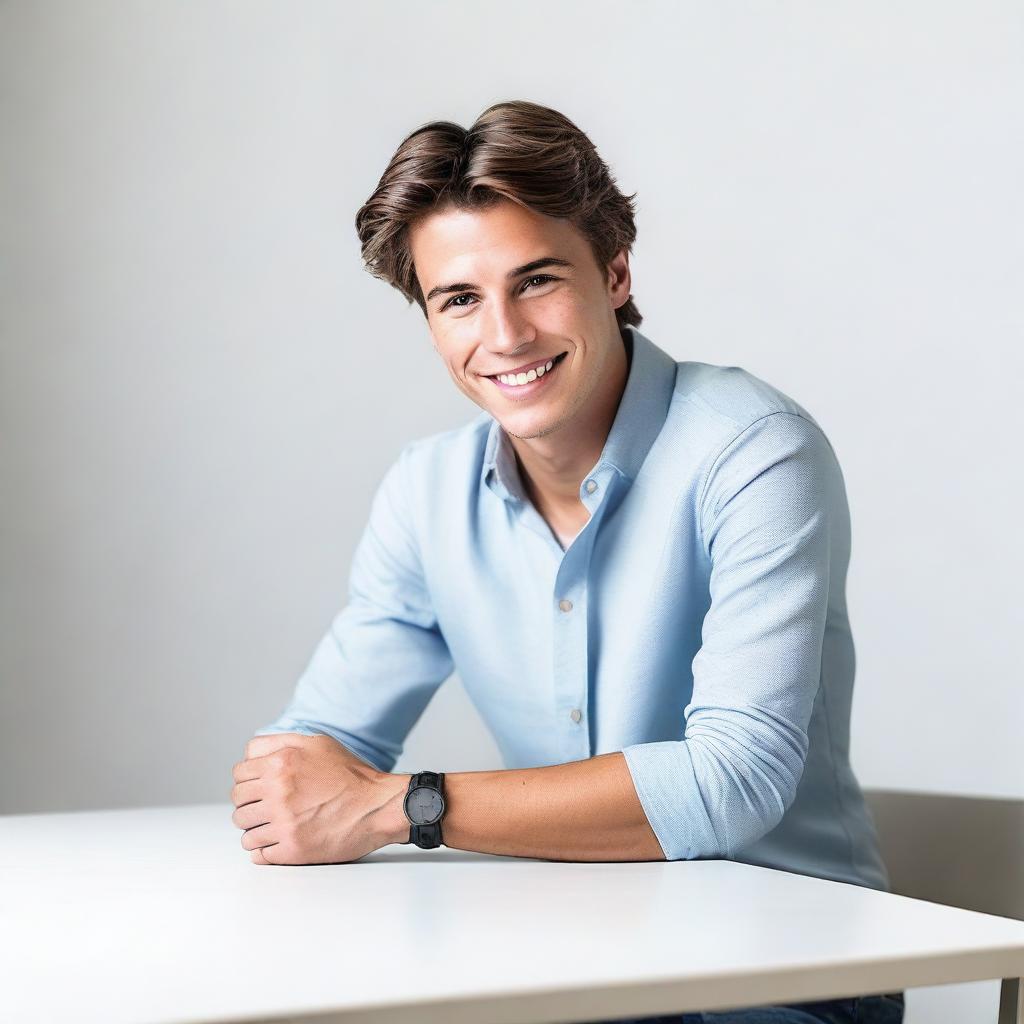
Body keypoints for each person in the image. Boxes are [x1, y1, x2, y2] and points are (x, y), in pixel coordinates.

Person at [229, 100, 904, 1024]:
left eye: (536, 281)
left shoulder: (752, 452)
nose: (503, 336)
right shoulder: (426, 494)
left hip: (779, 984)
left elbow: (733, 783)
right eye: (459, 298)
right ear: (429, 320)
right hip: (570, 970)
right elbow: (309, 759)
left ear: (616, 273)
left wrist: (403, 807)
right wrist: (305, 792)